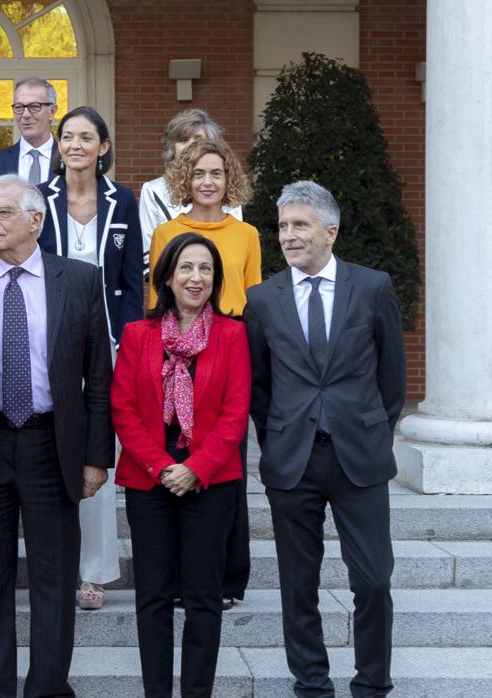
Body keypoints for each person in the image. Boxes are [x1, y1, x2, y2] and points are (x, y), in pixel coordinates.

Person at [0, 174, 114, 696]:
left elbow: (99, 377)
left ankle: (48, 688)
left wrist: (97, 456)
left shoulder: (79, 279)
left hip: (51, 444)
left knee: (54, 581)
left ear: (35, 220)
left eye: (2, 212)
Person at [245, 181, 404, 698]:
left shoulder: (373, 287)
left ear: (330, 231)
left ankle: (373, 682)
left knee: (374, 579)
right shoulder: (262, 300)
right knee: (298, 582)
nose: (288, 236)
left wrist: (371, 429)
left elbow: (393, 380)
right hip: (293, 462)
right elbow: (260, 387)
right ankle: (311, 681)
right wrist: (278, 440)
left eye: (300, 225)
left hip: (360, 457)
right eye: (283, 226)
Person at [112, 233, 250, 698]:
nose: (196, 278)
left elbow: (236, 413)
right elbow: (123, 409)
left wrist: (196, 467)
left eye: (206, 269)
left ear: (216, 279)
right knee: (152, 597)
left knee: (203, 599)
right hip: (149, 481)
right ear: (166, 277)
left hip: (211, 481)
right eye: (187, 268)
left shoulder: (232, 335)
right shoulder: (138, 335)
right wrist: (160, 465)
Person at [148, 137, 260, 607]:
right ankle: (174, 576)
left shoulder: (246, 234)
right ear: (184, 180)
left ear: (228, 179)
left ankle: (227, 578)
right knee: (178, 453)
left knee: (225, 460)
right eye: (198, 174)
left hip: (229, 339)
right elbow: (156, 300)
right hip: (177, 348)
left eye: (216, 173)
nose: (208, 182)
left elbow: (254, 299)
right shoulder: (167, 232)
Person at [40, 105, 143, 609]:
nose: (74, 145)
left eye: (86, 137)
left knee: (97, 453)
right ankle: (54, 562)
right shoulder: (40, 199)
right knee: (51, 450)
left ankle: (94, 573)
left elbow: (131, 283)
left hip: (111, 346)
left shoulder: (124, 201)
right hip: (50, 341)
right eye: (67, 136)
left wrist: (124, 340)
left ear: (103, 147)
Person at [138, 109, 243, 263]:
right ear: (172, 147)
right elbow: (148, 250)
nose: (191, 145)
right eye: (183, 139)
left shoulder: (225, 185)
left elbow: (237, 241)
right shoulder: (153, 190)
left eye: (198, 138)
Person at [0, 77, 60, 189]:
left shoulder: (69, 161)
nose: (25, 115)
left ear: (52, 112)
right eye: (19, 107)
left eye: (34, 106)